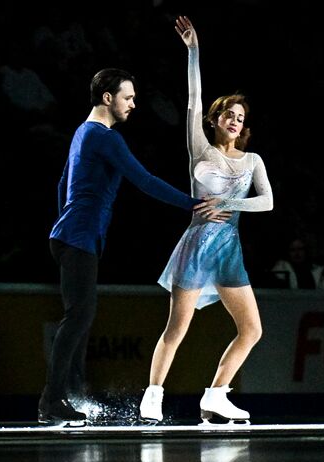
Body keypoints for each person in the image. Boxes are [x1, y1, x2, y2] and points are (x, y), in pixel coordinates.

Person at [43, 65, 225, 425]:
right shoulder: (105, 137)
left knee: (81, 317)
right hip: (78, 238)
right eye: (128, 98)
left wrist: (71, 218)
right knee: (78, 316)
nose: (133, 104)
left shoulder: (83, 132)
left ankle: (70, 394)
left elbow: (63, 182)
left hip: (71, 235)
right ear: (107, 98)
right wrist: (193, 205)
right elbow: (143, 179)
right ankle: (51, 400)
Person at [141, 16, 273, 425]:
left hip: (228, 249)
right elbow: (193, 98)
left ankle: (216, 395)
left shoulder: (251, 160)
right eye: (227, 114)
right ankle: (153, 394)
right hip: (198, 245)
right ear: (214, 120)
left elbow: (267, 202)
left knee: (251, 329)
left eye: (240, 117)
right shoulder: (199, 148)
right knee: (176, 328)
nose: (234, 120)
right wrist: (194, 51)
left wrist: (231, 205)